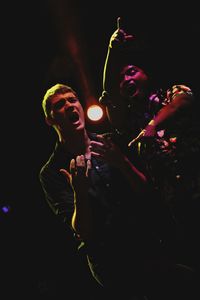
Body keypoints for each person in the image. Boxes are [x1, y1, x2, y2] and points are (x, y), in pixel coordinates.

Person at [39, 83, 183, 299]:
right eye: (60, 104)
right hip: (113, 264)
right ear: (50, 119)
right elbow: (83, 231)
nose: (70, 105)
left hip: (149, 246)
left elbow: (147, 191)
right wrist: (80, 192)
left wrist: (122, 163)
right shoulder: (51, 172)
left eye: (72, 99)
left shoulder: (111, 142)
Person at [99, 17, 200, 298]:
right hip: (178, 206)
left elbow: (185, 98)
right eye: (122, 80)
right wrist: (112, 50)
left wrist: (152, 127)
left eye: (131, 72)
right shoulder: (129, 122)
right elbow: (109, 94)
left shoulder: (168, 95)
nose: (126, 79)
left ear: (147, 74)